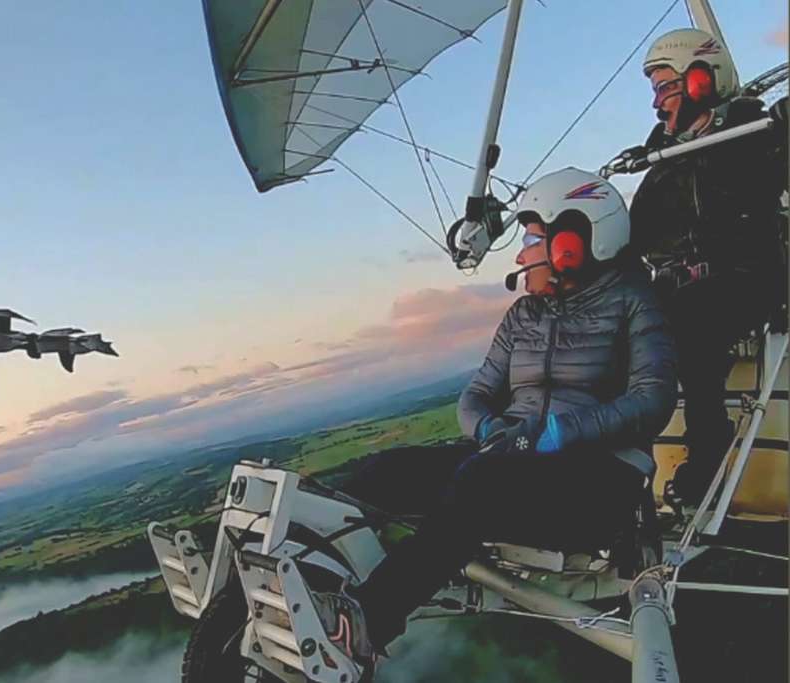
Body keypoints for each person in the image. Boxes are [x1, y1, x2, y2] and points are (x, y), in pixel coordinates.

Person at [305, 168, 678, 675]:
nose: (523, 254)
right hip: (512, 461)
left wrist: (554, 434)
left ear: (576, 242)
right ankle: (309, 593)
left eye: (532, 239)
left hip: (600, 483)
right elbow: (477, 394)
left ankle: (367, 620)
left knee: (480, 480)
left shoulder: (633, 301)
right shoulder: (522, 315)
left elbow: (652, 400)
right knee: (382, 474)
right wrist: (487, 429)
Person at [627, 28, 788, 506]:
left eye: (666, 87)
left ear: (702, 79)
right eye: (655, 90)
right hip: (680, 284)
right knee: (618, 323)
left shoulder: (754, 135)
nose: (658, 103)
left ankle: (709, 447)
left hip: (747, 275)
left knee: (692, 319)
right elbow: (634, 238)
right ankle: (612, 467)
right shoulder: (663, 160)